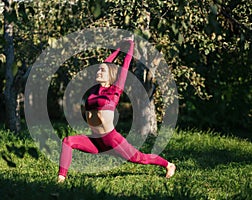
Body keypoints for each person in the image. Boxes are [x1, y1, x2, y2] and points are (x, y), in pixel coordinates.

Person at [58, 37, 176, 183]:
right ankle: (60, 179)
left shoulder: (115, 90)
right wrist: (119, 48)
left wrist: (130, 46)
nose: (98, 72)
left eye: (102, 71)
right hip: (96, 140)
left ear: (111, 75)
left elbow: (125, 66)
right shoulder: (95, 89)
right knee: (68, 141)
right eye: (98, 70)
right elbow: (107, 63)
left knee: (141, 158)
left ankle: (168, 164)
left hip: (112, 140)